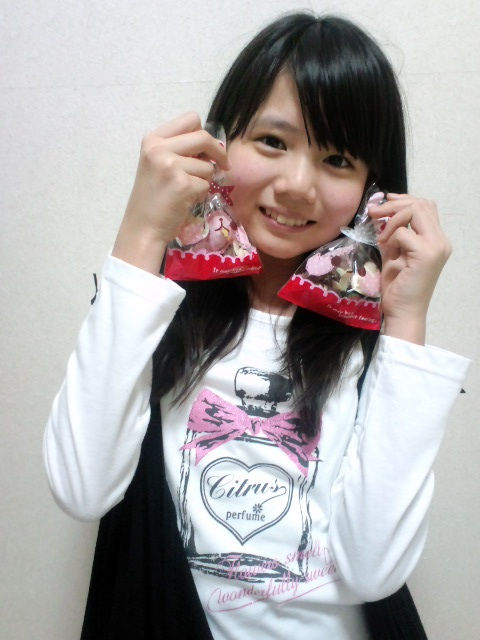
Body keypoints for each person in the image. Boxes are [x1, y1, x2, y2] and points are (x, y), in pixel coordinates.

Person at [43, 12, 470, 640]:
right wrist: (141, 231)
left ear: (371, 188)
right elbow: (81, 489)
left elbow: (373, 571)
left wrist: (405, 320)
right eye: (272, 141)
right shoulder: (152, 310)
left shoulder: (368, 344)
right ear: (219, 143)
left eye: (337, 158)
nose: (297, 185)